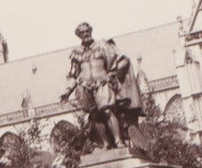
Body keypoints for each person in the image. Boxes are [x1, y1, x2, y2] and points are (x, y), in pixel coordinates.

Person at [60, 22, 143, 150]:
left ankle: (118, 140)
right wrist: (66, 92)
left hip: (102, 83)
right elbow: (73, 75)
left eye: (87, 31)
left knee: (107, 110)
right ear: (78, 35)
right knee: (95, 115)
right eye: (82, 32)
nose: (85, 34)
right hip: (85, 87)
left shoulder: (103, 45)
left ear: (91, 31)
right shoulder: (76, 53)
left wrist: (112, 74)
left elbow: (122, 60)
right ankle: (105, 143)